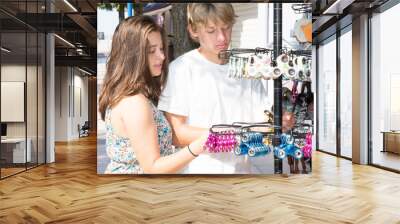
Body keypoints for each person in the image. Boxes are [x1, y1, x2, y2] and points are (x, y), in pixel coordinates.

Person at [158, 3, 279, 174]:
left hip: (242, 176)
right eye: (211, 30)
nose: (222, 37)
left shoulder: (246, 68)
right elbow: (175, 134)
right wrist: (228, 135)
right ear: (193, 30)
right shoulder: (181, 69)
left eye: (226, 28)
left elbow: (265, 123)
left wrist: (280, 121)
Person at [98, 16, 208, 174]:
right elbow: (153, 167)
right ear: (132, 55)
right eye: (151, 51)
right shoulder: (134, 102)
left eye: (161, 49)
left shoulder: (135, 94)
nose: (162, 56)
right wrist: (198, 146)